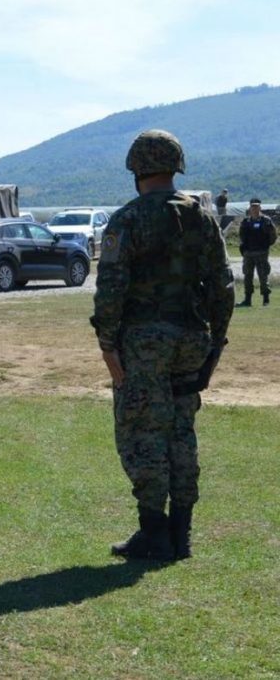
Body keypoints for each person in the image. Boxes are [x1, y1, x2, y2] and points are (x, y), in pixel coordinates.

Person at [91, 129, 234, 560]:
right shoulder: (202, 218)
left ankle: (154, 533)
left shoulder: (128, 219)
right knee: (181, 431)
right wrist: (215, 345)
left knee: (143, 432)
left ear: (137, 168)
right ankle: (181, 534)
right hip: (192, 338)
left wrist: (107, 346)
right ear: (175, 166)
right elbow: (223, 287)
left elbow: (111, 288)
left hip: (143, 344)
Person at [236, 198, 276, 307]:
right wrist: (244, 249)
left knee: (263, 276)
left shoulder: (266, 220)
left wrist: (266, 246)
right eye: (252, 207)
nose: (254, 209)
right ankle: (247, 300)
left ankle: (266, 300)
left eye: (256, 207)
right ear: (249, 208)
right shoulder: (246, 222)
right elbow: (241, 236)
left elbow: (273, 235)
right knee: (247, 276)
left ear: (260, 208)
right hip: (248, 253)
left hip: (261, 252)